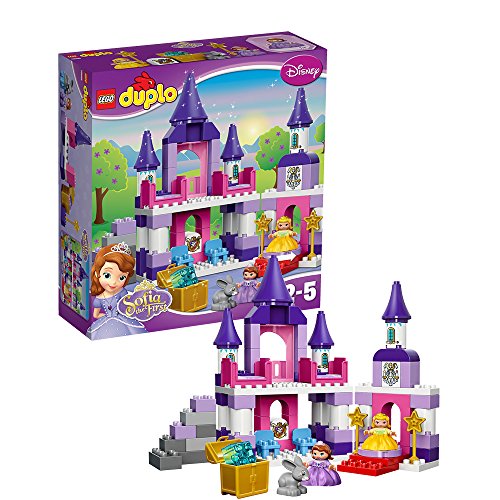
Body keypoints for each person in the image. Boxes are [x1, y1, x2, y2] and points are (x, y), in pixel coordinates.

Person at [87, 242, 146, 340]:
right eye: (107, 275)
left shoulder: (122, 292)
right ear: (97, 273)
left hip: (123, 320)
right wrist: (108, 317)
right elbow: (95, 315)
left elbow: (127, 307)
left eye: (122, 277)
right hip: (107, 323)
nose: (114, 282)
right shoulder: (99, 298)